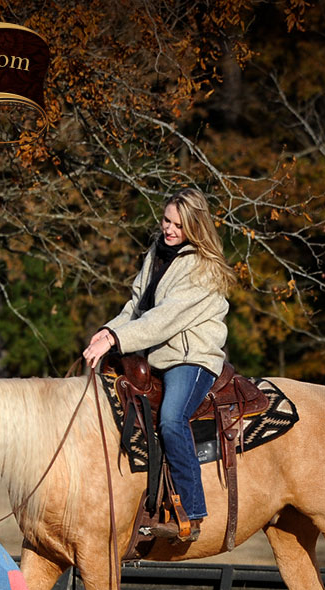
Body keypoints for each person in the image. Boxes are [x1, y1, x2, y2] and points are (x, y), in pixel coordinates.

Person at [83, 188, 236, 542]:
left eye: (178, 226)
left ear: (195, 228)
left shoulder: (203, 267)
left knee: (171, 418)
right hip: (156, 356)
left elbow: (164, 318)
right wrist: (107, 331)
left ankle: (192, 514)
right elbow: (137, 306)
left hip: (191, 357)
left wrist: (117, 340)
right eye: (166, 220)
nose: (168, 230)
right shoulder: (158, 252)